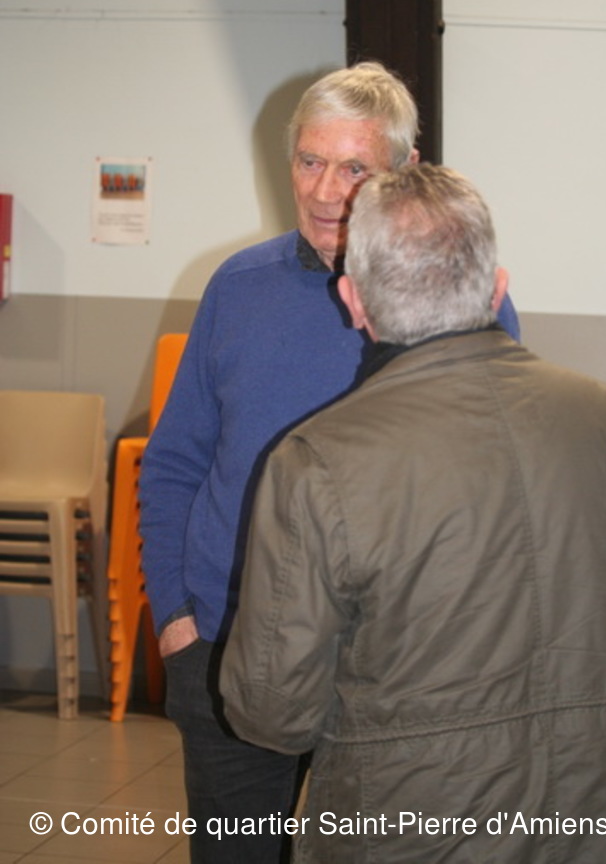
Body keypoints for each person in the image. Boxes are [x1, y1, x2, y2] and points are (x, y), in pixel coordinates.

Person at [220, 163, 606, 863]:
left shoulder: (318, 460)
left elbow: (273, 711)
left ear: (353, 299)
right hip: (597, 825)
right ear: (498, 287)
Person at [139, 63, 521, 863]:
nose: (323, 192)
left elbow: (494, 481)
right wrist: (176, 620)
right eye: (309, 160)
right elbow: (174, 463)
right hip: (228, 648)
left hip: (391, 668)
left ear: (405, 170)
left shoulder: (456, 294)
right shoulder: (238, 288)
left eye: (354, 168)